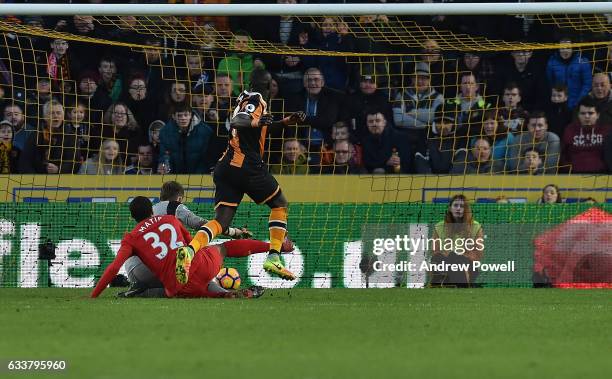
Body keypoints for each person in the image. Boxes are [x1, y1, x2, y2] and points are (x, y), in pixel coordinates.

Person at [175, 68, 305, 284]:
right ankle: (273, 256)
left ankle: (190, 250)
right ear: (266, 85)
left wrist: (285, 122)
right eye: (271, 83)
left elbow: (256, 128)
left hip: (225, 167)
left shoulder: (244, 97)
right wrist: (256, 122)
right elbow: (239, 122)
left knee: (221, 221)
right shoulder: (257, 99)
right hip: (246, 166)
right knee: (280, 204)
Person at [91, 196, 267, 299]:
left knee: (191, 288)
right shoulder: (170, 219)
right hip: (200, 263)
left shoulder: (131, 238)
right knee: (223, 248)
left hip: (179, 286)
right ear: (152, 211)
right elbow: (192, 242)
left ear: (132, 217)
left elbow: (114, 267)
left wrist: (94, 295)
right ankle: (275, 246)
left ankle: (223, 294)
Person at [120, 181, 257, 297]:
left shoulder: (149, 210)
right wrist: (233, 231)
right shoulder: (175, 207)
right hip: (155, 267)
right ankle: (225, 293)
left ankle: (141, 291)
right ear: (179, 198)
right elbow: (202, 224)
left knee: (184, 274)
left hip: (133, 267)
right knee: (197, 269)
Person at [429, 194, 484, 287]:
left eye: (462, 206)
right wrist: (447, 255)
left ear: (466, 209)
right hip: (445, 262)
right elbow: (435, 251)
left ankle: (464, 284)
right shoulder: (439, 227)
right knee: (437, 259)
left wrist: (463, 256)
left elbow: (478, 254)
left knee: (456, 259)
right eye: (455, 205)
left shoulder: (476, 226)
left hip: (467, 263)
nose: (458, 208)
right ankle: (440, 284)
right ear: (450, 208)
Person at [158, 102, 213, 174]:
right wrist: (165, 166)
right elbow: (164, 154)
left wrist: (198, 176)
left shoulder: (205, 131)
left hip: (199, 176)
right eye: (179, 116)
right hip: (174, 175)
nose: (183, 118)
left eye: (186, 115)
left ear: (190, 115)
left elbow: (206, 158)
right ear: (174, 117)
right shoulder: (165, 132)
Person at [561, 97, 611, 174]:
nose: (587, 116)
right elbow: (563, 154)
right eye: (583, 113)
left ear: (597, 115)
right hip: (574, 175)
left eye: (590, 113)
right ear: (578, 115)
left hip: (602, 174)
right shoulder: (570, 130)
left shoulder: (607, 130)